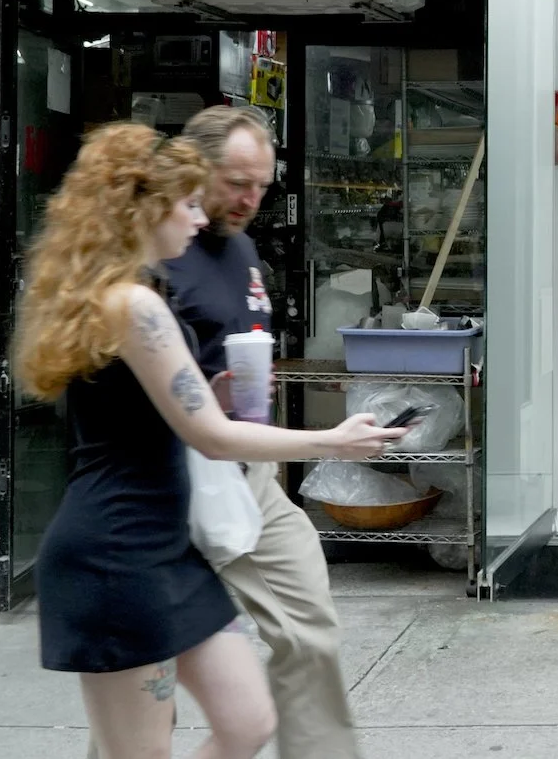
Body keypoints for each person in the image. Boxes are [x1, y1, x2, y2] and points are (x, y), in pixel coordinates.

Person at [17, 122, 406, 759]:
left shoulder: (131, 295)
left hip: (162, 542)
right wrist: (332, 441)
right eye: (191, 201)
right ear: (149, 207)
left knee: (247, 721)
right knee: (140, 747)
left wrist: (213, 397)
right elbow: (213, 438)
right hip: (121, 548)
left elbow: (163, 410)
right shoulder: (135, 304)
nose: (201, 218)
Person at [166, 105, 362, 759]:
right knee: (146, 663)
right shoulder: (159, 253)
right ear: (193, 168)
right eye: (236, 183)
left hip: (247, 466)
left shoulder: (243, 247)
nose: (251, 199)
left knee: (310, 629)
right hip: (175, 475)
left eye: (261, 184)